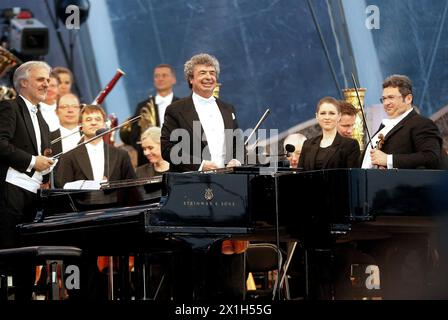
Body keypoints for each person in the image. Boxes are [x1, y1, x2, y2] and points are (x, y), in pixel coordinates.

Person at [161, 53, 245, 299]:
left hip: (226, 189)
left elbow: (238, 143)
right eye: (202, 74)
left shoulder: (228, 108)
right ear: (190, 79)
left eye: (212, 73)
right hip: (192, 191)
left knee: (224, 257)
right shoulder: (176, 109)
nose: (208, 77)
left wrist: (237, 160)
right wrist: (199, 165)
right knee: (195, 259)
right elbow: (167, 149)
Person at [0, 61, 55, 299]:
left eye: (47, 79)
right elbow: (0, 144)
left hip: (32, 197)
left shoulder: (42, 120)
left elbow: (43, 157)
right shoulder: (9, 108)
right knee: (6, 254)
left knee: (27, 257)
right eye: (41, 79)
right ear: (23, 82)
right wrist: (33, 161)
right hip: (9, 193)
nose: (47, 83)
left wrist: (49, 165)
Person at [362, 74, 446, 169]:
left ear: (408, 99)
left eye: (391, 97)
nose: (386, 103)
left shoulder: (422, 124)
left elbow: (431, 157)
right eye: (384, 98)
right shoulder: (385, 126)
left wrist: (389, 160)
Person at [56, 104, 136, 187]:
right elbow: (63, 190)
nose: (93, 123)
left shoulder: (121, 155)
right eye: (88, 120)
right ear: (81, 127)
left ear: (104, 125)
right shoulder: (68, 157)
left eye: (98, 119)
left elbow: (132, 188)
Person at [123, 64, 180, 167]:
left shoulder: (183, 104)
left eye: (164, 75)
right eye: (157, 76)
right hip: (149, 163)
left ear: (174, 79)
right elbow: (134, 136)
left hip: (178, 159)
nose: (160, 79)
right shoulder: (142, 106)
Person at [298, 97, 360, 170]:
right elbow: (300, 174)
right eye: (323, 113)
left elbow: (353, 177)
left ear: (338, 116)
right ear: (317, 116)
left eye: (332, 113)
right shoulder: (307, 144)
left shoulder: (350, 145)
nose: (327, 117)